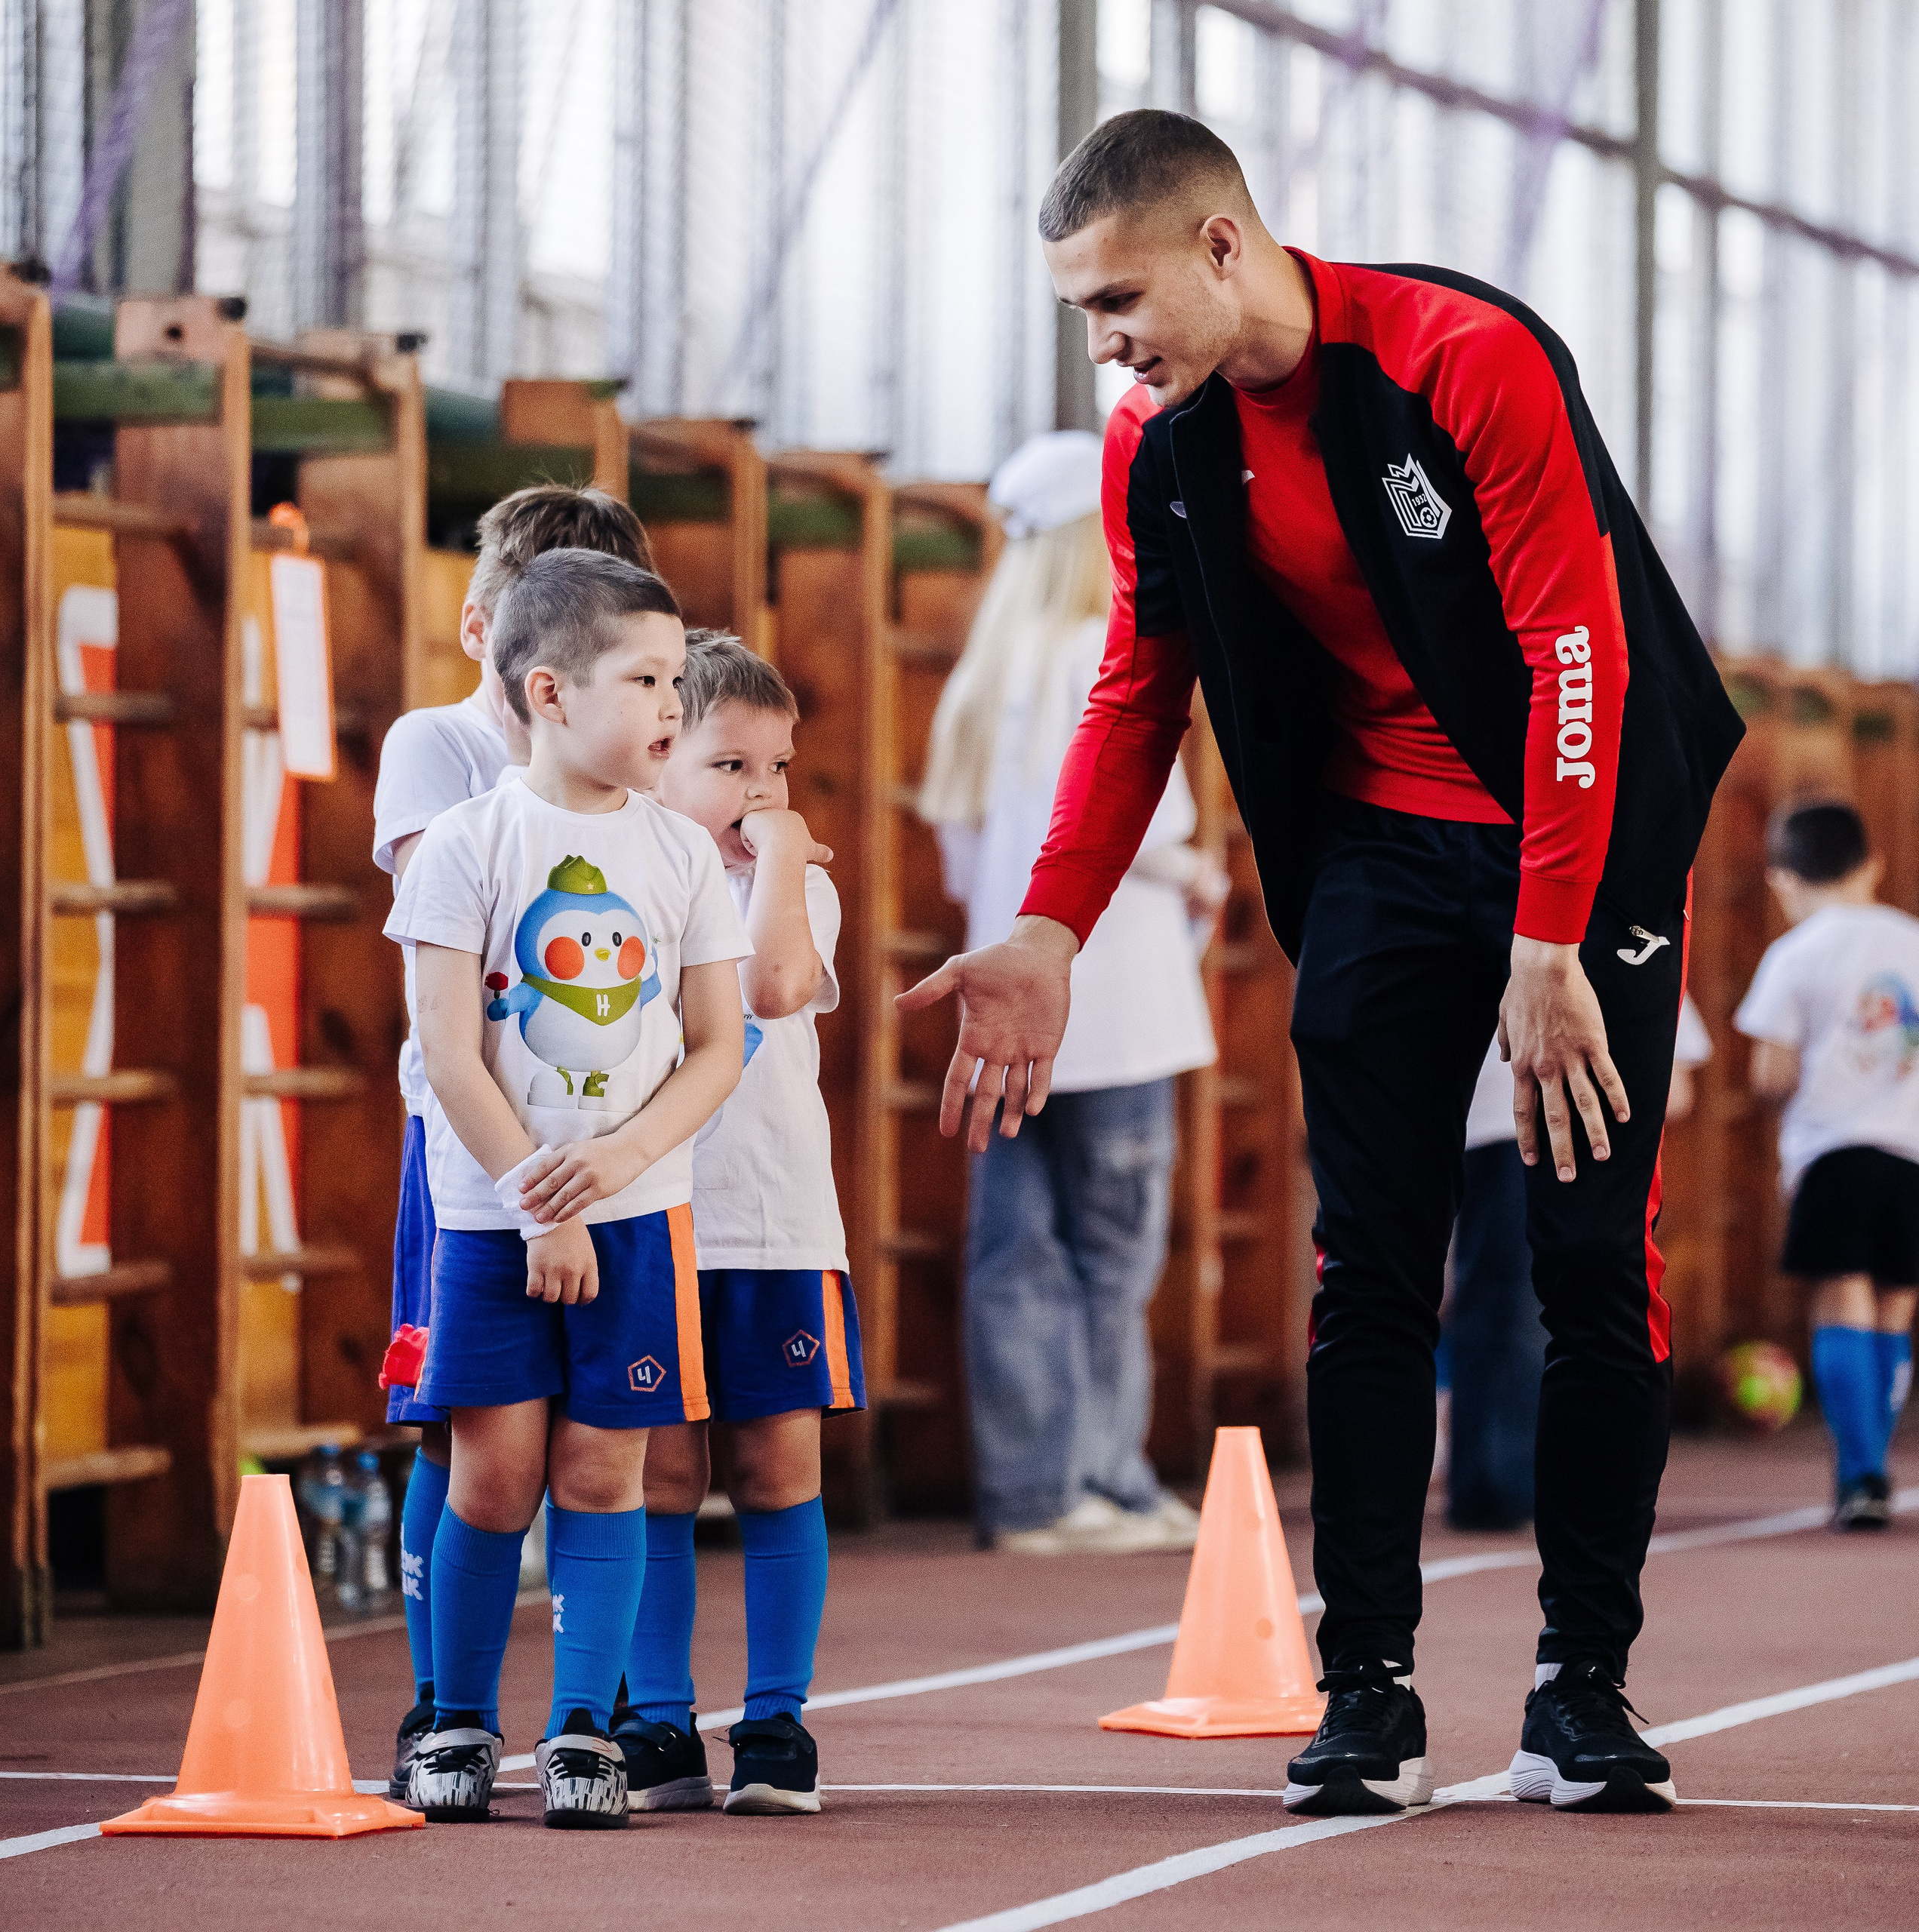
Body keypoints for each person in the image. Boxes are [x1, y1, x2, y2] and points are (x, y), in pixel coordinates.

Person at [896, 109, 1744, 1818]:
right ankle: (1365, 1683)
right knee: (1369, 1265)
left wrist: (1552, 934)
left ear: (1223, 245)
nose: (1103, 347)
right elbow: (1138, 687)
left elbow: (1570, 649)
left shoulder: (1463, 357)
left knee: (1588, 1257)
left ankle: (1583, 1679)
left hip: (1577, 835)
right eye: (1078, 315)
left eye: (1115, 299)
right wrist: (1051, 922)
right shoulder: (1158, 445)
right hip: (1373, 853)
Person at [387, 551, 749, 1827]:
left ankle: (585, 1730)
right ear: (548, 691)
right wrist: (543, 1201)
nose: (671, 704)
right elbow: (446, 1046)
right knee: (493, 1478)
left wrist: (618, 1167)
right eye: (645, 679)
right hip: (499, 1216)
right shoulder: (469, 846)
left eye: (676, 679)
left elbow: (716, 1047)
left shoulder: (682, 857)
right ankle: (457, 1719)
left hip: (636, 1214)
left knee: (607, 1473)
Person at [371, 485, 657, 1800]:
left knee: (607, 1444)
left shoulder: (641, 780)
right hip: (473, 1146)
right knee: (465, 1432)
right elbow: (470, 945)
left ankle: (610, 1706)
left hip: (615, 1149)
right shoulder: (443, 748)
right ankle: (447, 1699)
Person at [915, 430, 1223, 1555]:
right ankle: (1105, 1478)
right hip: (1119, 1001)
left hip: (1005, 1008)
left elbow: (959, 858)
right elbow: (1148, 825)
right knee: (1113, 1255)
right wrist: (1198, 870)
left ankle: (1034, 1492)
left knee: (1015, 1254)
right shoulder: (1103, 644)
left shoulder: (987, 673)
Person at [607, 630, 863, 1817]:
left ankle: (775, 1722)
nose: (761, 794)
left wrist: (780, 856)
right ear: (659, 762)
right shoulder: (624, 879)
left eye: (779, 769)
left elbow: (772, 988)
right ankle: (657, 1721)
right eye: (728, 768)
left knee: (776, 1467)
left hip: (774, 1224)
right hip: (660, 1217)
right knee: (661, 1472)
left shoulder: (796, 886)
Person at [1445, 998, 1713, 1532]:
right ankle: (1518, 1482)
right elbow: (1676, 1088)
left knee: (1488, 1303)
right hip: (1567, 1139)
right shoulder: (1632, 936)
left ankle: (1481, 1482)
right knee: (1543, 1310)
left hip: (1484, 1131)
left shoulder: (1483, 925)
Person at [1735, 800, 1917, 1531]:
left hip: (1834, 1148)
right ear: (1871, 864)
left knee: (1840, 1296)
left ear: (1781, 879)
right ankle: (1877, 1465)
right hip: (1910, 1150)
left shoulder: (1795, 953)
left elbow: (1769, 1071)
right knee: (1895, 1302)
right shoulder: (1910, 939)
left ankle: (1859, 1471)